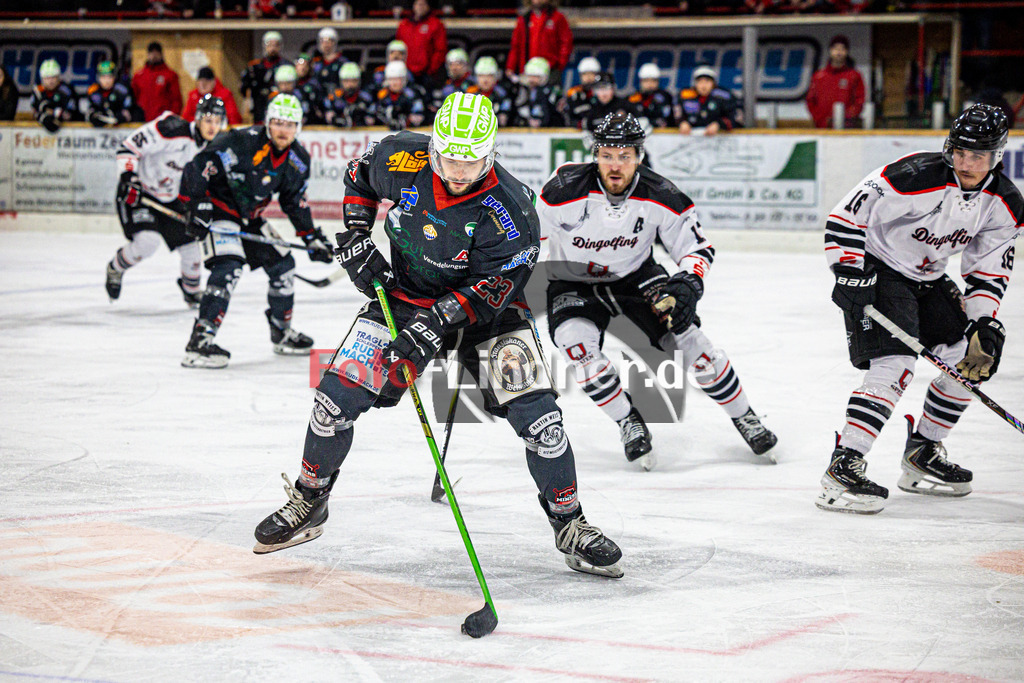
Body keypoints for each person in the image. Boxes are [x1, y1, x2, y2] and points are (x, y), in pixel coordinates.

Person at [253, 92, 624, 580]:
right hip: (403, 297)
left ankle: (569, 522)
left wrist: (437, 324)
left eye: (471, 161)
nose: (458, 170)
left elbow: (496, 285)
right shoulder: (401, 153)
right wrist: (358, 236)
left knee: (544, 424)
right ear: (434, 147)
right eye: (449, 157)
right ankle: (311, 497)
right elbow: (357, 176)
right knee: (332, 402)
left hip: (489, 315)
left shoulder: (511, 205)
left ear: (489, 153)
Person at [538, 112, 778, 469]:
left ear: (639, 156)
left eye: (625, 156)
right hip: (572, 282)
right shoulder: (562, 191)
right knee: (577, 348)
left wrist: (689, 281)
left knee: (690, 341)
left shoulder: (662, 194)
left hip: (636, 276)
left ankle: (744, 415)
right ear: (595, 155)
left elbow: (696, 247)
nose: (615, 165)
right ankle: (627, 420)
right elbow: (528, 241)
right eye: (607, 155)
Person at [816, 104, 1022, 515]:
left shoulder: (1005, 204)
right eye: (960, 151)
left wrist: (984, 320)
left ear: (997, 156)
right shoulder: (910, 176)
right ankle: (843, 466)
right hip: (879, 271)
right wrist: (849, 273)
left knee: (970, 358)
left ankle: (922, 454)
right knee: (894, 363)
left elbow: (987, 271)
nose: (965, 162)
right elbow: (844, 220)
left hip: (928, 279)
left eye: (978, 155)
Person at [177, 93, 333, 368]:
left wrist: (311, 237)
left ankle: (281, 333)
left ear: (298, 127)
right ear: (268, 123)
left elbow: (294, 200)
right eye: (278, 123)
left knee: (284, 266)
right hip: (220, 211)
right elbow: (197, 167)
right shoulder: (242, 141)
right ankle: (199, 342)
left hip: (250, 217)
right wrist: (196, 205)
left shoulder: (298, 159)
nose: (283, 130)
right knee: (229, 267)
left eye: (290, 124)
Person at [105, 95, 226, 307]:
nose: (212, 126)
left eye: (217, 121)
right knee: (147, 243)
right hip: (141, 193)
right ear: (197, 119)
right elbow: (129, 148)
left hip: (171, 199)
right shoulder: (170, 128)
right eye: (208, 120)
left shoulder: (212, 151)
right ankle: (116, 267)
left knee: (191, 248)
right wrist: (129, 179)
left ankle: (191, 291)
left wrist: (198, 210)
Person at [506, 0, 573, 89]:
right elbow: (515, 46)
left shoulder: (557, 18)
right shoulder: (524, 19)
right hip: (528, 72)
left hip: (550, 71)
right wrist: (510, 66)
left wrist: (559, 65)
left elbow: (566, 43)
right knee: (526, 100)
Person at [806, 35, 865, 129]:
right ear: (830, 50)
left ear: (846, 52)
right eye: (836, 48)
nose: (839, 52)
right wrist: (819, 118)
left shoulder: (854, 76)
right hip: (822, 128)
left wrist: (847, 118)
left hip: (846, 129)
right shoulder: (818, 76)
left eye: (842, 49)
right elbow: (810, 100)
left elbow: (859, 100)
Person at [676, 65, 741, 136]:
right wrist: (682, 122)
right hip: (690, 139)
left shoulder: (724, 96)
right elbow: (676, 116)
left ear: (713, 83)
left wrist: (718, 124)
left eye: (707, 81)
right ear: (695, 83)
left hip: (718, 140)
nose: (703, 86)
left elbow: (734, 119)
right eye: (700, 82)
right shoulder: (685, 95)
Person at [395, 0, 448, 87]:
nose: (420, 6)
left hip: (427, 74)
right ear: (413, 5)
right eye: (417, 4)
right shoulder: (404, 25)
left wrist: (431, 69)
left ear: (428, 6)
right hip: (406, 73)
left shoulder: (436, 24)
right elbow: (398, 49)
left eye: (423, 4)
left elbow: (440, 50)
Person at [241, 31, 289, 125]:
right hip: (259, 108)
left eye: (276, 45)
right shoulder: (254, 67)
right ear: (264, 46)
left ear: (280, 47)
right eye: (269, 45)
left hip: (281, 109)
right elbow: (245, 89)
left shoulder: (286, 66)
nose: (272, 48)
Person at [131, 42, 182, 122]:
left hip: (162, 122)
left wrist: (171, 119)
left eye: (157, 53)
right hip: (143, 121)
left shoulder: (170, 75)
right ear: (148, 55)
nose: (154, 56)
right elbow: (134, 99)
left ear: (161, 54)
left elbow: (176, 101)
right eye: (152, 53)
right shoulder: (139, 76)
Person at [372, 60, 427, 130]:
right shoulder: (382, 95)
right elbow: (375, 116)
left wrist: (406, 120)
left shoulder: (413, 95)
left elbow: (418, 116)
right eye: (391, 79)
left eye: (397, 79)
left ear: (404, 79)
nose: (394, 83)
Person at [30, 59, 81, 133]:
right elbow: (35, 111)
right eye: (47, 78)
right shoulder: (37, 91)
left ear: (58, 77)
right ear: (42, 79)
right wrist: (45, 116)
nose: (50, 81)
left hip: (69, 132)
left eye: (53, 77)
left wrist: (58, 114)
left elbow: (73, 112)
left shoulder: (67, 90)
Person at [513, 57, 563, 127]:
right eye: (530, 76)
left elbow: (555, 115)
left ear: (544, 77)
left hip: (549, 130)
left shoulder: (552, 92)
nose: (531, 80)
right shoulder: (523, 90)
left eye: (536, 76)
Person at [86, 61, 137, 127]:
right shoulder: (93, 91)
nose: (106, 81)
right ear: (98, 78)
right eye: (103, 77)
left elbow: (127, 114)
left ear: (114, 77)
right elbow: (90, 113)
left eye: (109, 77)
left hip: (121, 130)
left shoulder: (122, 90)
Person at [466, 56, 513, 127]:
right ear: (476, 77)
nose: (485, 80)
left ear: (496, 77)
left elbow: (504, 120)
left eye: (489, 76)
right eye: (481, 76)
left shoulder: (502, 94)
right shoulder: (469, 94)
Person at [325, 62, 375, 128]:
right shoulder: (334, 97)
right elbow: (328, 115)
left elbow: (371, 119)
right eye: (346, 81)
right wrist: (336, 119)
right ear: (341, 81)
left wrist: (361, 118)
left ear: (359, 81)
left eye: (354, 81)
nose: (350, 85)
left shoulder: (366, 98)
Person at [629, 63, 674, 129]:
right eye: (646, 81)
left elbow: (670, 119)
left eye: (653, 81)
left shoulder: (666, 97)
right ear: (641, 81)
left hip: (662, 134)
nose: (650, 84)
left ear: (658, 82)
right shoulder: (632, 99)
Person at [429, 47, 473, 116]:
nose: (454, 67)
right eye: (451, 64)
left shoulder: (475, 85)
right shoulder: (445, 85)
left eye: (458, 63)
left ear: (466, 65)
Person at [560, 56, 600, 127]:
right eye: (585, 74)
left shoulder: (601, 93)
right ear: (580, 76)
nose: (588, 77)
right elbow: (568, 117)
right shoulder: (574, 93)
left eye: (591, 73)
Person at [311, 27, 347, 94]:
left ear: (334, 42)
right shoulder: (317, 63)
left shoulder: (342, 62)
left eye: (329, 41)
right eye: (323, 42)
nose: (326, 45)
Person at [293, 55, 326, 125]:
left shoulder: (315, 84)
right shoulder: (291, 84)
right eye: (300, 65)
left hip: (312, 122)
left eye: (305, 65)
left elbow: (320, 104)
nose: (303, 68)